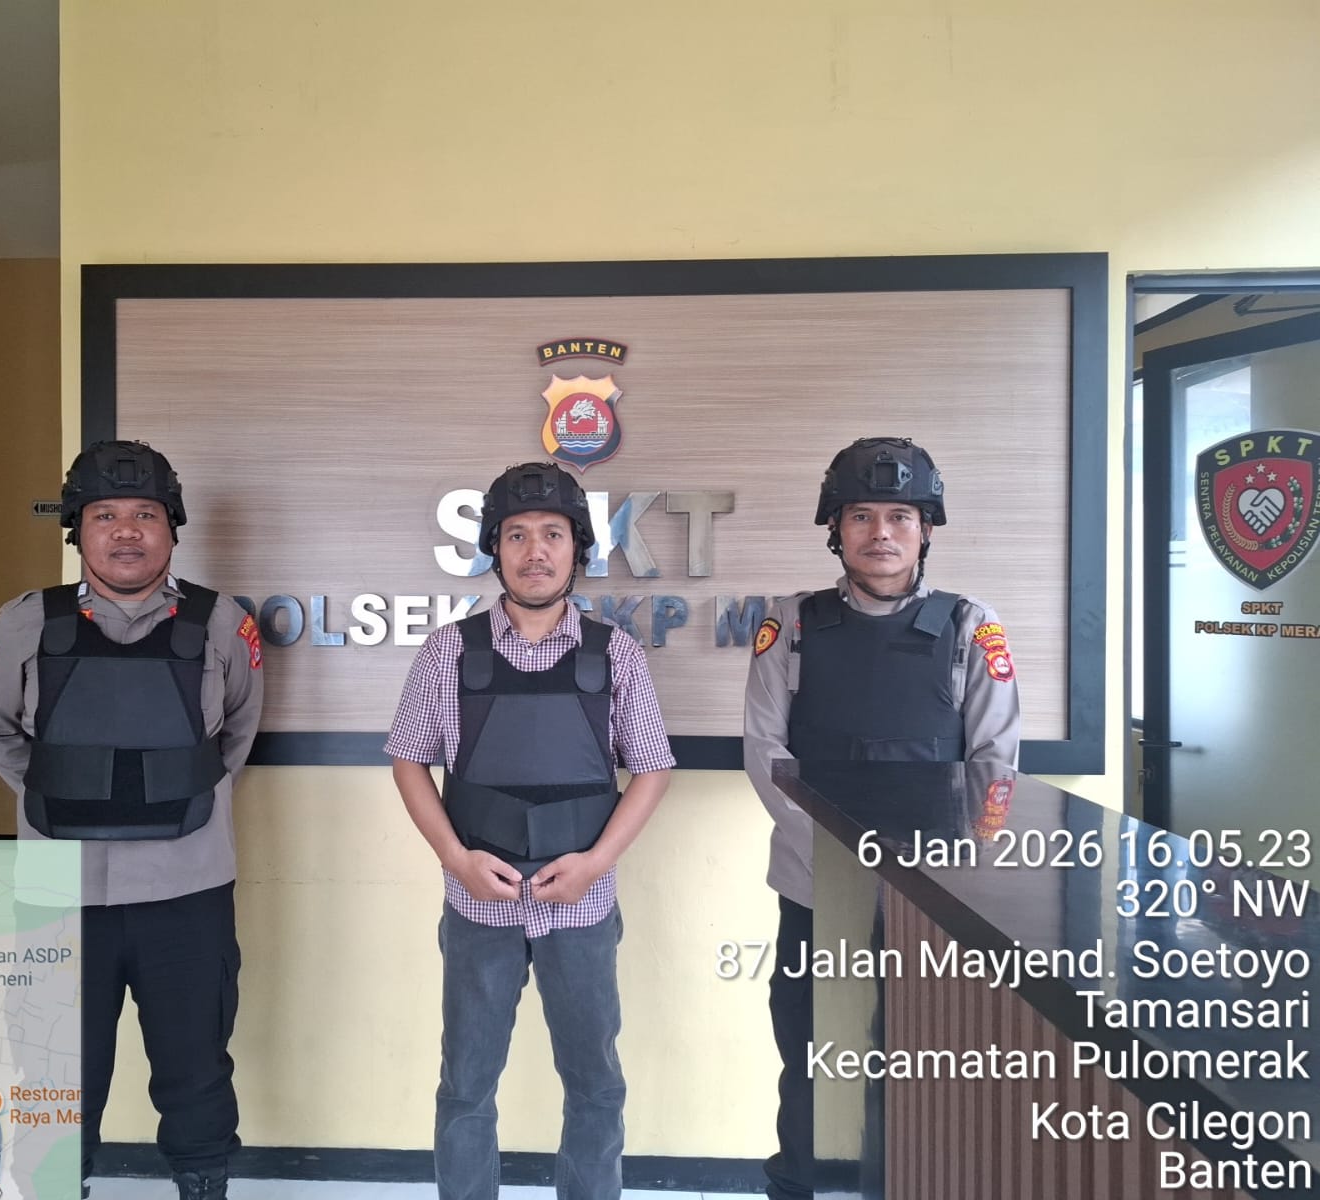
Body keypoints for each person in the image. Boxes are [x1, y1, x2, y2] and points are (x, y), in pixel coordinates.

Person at [0, 440, 263, 1200]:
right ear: (77, 530)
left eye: (145, 515)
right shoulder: (25, 623)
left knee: (196, 1068)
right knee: (55, 1071)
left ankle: (202, 1184)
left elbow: (235, 735)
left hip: (186, 886)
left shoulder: (222, 624)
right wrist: (63, 797)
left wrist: (173, 792)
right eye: (105, 515)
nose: (127, 531)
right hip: (57, 891)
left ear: (172, 528)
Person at [741, 436, 1021, 1200]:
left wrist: (961, 866)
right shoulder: (790, 623)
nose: (880, 533)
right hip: (813, 890)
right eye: (860, 515)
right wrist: (842, 861)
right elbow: (766, 754)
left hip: (931, 900)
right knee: (808, 1063)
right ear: (836, 529)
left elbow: (994, 763)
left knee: (917, 1071)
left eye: (899, 516)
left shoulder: (971, 625)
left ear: (925, 529)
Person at [386, 461, 674, 1200]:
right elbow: (409, 761)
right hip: (478, 905)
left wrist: (594, 865)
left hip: (581, 906)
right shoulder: (448, 651)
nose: (535, 551)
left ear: (577, 549)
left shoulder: (615, 653)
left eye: (552, 534)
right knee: (465, 1087)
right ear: (494, 547)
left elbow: (651, 770)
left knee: (595, 1085)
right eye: (516, 535)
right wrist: (455, 859)